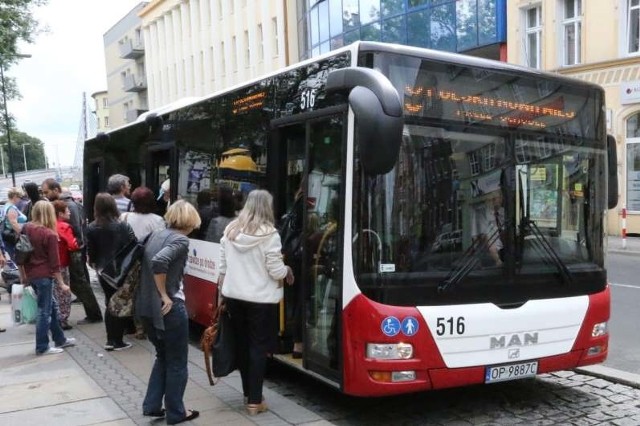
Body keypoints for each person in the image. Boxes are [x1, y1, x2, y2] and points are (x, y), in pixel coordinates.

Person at [219, 189, 294, 416]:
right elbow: (275, 270)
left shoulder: (230, 230)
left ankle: (247, 393)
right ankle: (254, 400)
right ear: (267, 208)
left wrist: (221, 295)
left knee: (242, 345)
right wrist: (288, 271)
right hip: (261, 301)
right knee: (258, 348)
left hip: (234, 297)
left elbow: (223, 267)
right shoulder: (270, 235)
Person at [136, 200, 201, 424]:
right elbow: (160, 261)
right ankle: (176, 412)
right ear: (191, 220)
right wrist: (164, 294)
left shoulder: (156, 234)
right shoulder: (181, 240)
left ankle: (152, 405)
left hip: (146, 307)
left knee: (163, 356)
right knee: (177, 362)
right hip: (169, 309)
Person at [42, 178, 102, 324]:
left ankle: (94, 314)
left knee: (79, 282)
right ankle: (93, 313)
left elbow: (76, 230)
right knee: (78, 282)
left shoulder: (68, 206)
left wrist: (77, 248)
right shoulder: (71, 204)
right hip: (73, 250)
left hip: (74, 250)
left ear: (56, 190)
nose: (45, 195)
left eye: (46, 192)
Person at [21, 201, 75, 355]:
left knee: (50, 307)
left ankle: (60, 339)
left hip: (32, 273)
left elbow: (21, 253)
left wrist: (23, 275)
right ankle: (42, 346)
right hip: (45, 275)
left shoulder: (26, 228)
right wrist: (62, 283)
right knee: (45, 311)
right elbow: (54, 262)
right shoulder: (49, 234)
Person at [87, 193, 136, 351]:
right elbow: (132, 244)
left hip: (102, 270)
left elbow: (91, 252)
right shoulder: (123, 226)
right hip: (121, 270)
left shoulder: (92, 227)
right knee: (120, 303)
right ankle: (118, 340)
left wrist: (94, 264)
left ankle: (110, 339)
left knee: (109, 302)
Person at [121, 186, 166, 339]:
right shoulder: (158, 220)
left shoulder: (125, 217)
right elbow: (161, 242)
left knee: (133, 292)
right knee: (149, 292)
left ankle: (137, 326)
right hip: (150, 260)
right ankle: (150, 324)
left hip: (130, 260)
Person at [52, 200, 80, 330]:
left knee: (54, 292)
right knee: (63, 292)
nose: (69, 212)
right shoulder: (64, 226)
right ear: (60, 213)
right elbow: (72, 245)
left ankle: (54, 317)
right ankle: (62, 318)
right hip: (62, 262)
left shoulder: (49, 225)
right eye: (66, 210)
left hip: (49, 264)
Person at [471, 189, 505, 266]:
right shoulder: (481, 214)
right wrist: (497, 260)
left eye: (501, 197)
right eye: (497, 198)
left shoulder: (504, 212)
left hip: (506, 253)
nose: (500, 200)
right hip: (489, 257)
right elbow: (486, 239)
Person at [2, 188, 28, 266]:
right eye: (19, 197)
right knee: (19, 261)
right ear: (15, 196)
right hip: (14, 238)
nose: (20, 199)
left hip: (10, 238)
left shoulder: (7, 206)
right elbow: (14, 224)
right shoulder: (11, 209)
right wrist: (23, 236)